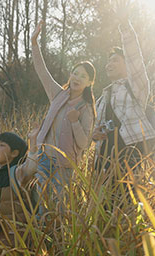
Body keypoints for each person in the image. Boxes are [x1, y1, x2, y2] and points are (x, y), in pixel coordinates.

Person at [31, 20, 96, 205]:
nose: (77, 78)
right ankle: (41, 232)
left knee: (60, 207)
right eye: (75, 73)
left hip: (64, 165)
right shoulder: (58, 94)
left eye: (83, 76)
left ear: (89, 83)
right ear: (70, 74)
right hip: (44, 158)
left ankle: (58, 234)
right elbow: (41, 71)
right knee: (41, 204)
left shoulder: (86, 108)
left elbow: (84, 144)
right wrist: (34, 43)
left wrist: (75, 122)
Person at [92, 17, 155, 173]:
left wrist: (125, 28)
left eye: (115, 60)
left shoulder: (134, 87)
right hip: (102, 165)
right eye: (108, 62)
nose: (109, 65)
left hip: (129, 161)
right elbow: (94, 131)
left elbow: (134, 58)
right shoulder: (103, 97)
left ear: (126, 64)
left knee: (128, 197)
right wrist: (94, 135)